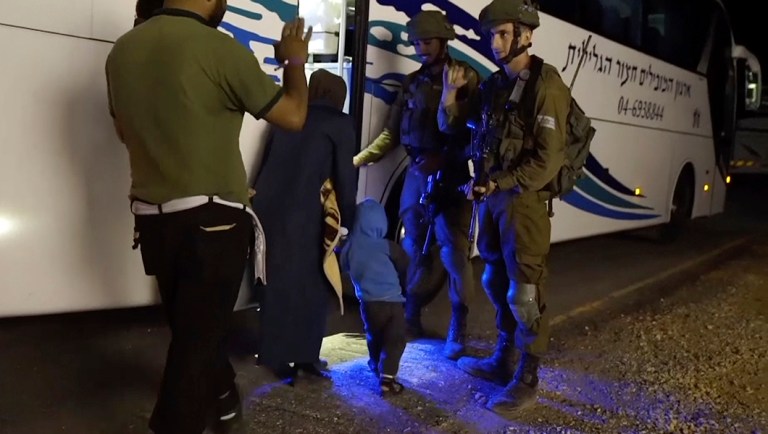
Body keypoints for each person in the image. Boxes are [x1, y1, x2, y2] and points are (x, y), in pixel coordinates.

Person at [105, 0, 313, 431]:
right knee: (193, 349)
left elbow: (123, 131)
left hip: (152, 220)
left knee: (193, 329)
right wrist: (293, 59)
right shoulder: (221, 49)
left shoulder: (121, 51)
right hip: (212, 224)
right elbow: (293, 115)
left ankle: (223, 399)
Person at [441, 0, 570, 417]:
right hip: (494, 200)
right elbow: (458, 129)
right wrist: (449, 96)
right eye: (490, 35)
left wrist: (501, 182)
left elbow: (547, 160)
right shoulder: (495, 87)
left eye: (502, 34)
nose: (494, 43)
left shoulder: (545, 86)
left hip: (524, 203)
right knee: (497, 281)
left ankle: (527, 377)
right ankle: (504, 359)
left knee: (525, 292)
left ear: (525, 35)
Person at [352, 10, 479, 360]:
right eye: (418, 42)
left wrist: (447, 158)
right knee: (413, 250)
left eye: (427, 42)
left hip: (451, 177)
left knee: (454, 256)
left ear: (443, 41)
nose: (421, 48)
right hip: (417, 174)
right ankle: (410, 317)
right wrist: (360, 159)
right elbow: (393, 133)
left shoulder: (465, 78)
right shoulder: (412, 83)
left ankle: (459, 326)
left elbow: (478, 135)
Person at [251, 69, 357, 382]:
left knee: (277, 283)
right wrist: (346, 222)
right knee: (313, 286)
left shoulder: (288, 116)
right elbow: (345, 178)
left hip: (269, 210)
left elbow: (265, 163)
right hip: (309, 214)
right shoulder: (341, 123)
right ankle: (306, 355)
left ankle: (277, 356)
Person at [340, 199, 409, 395]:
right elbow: (404, 263)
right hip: (393, 302)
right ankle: (387, 379)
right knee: (394, 339)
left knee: (374, 335)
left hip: (368, 304)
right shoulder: (386, 246)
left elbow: (343, 267)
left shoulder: (350, 248)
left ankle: (374, 362)